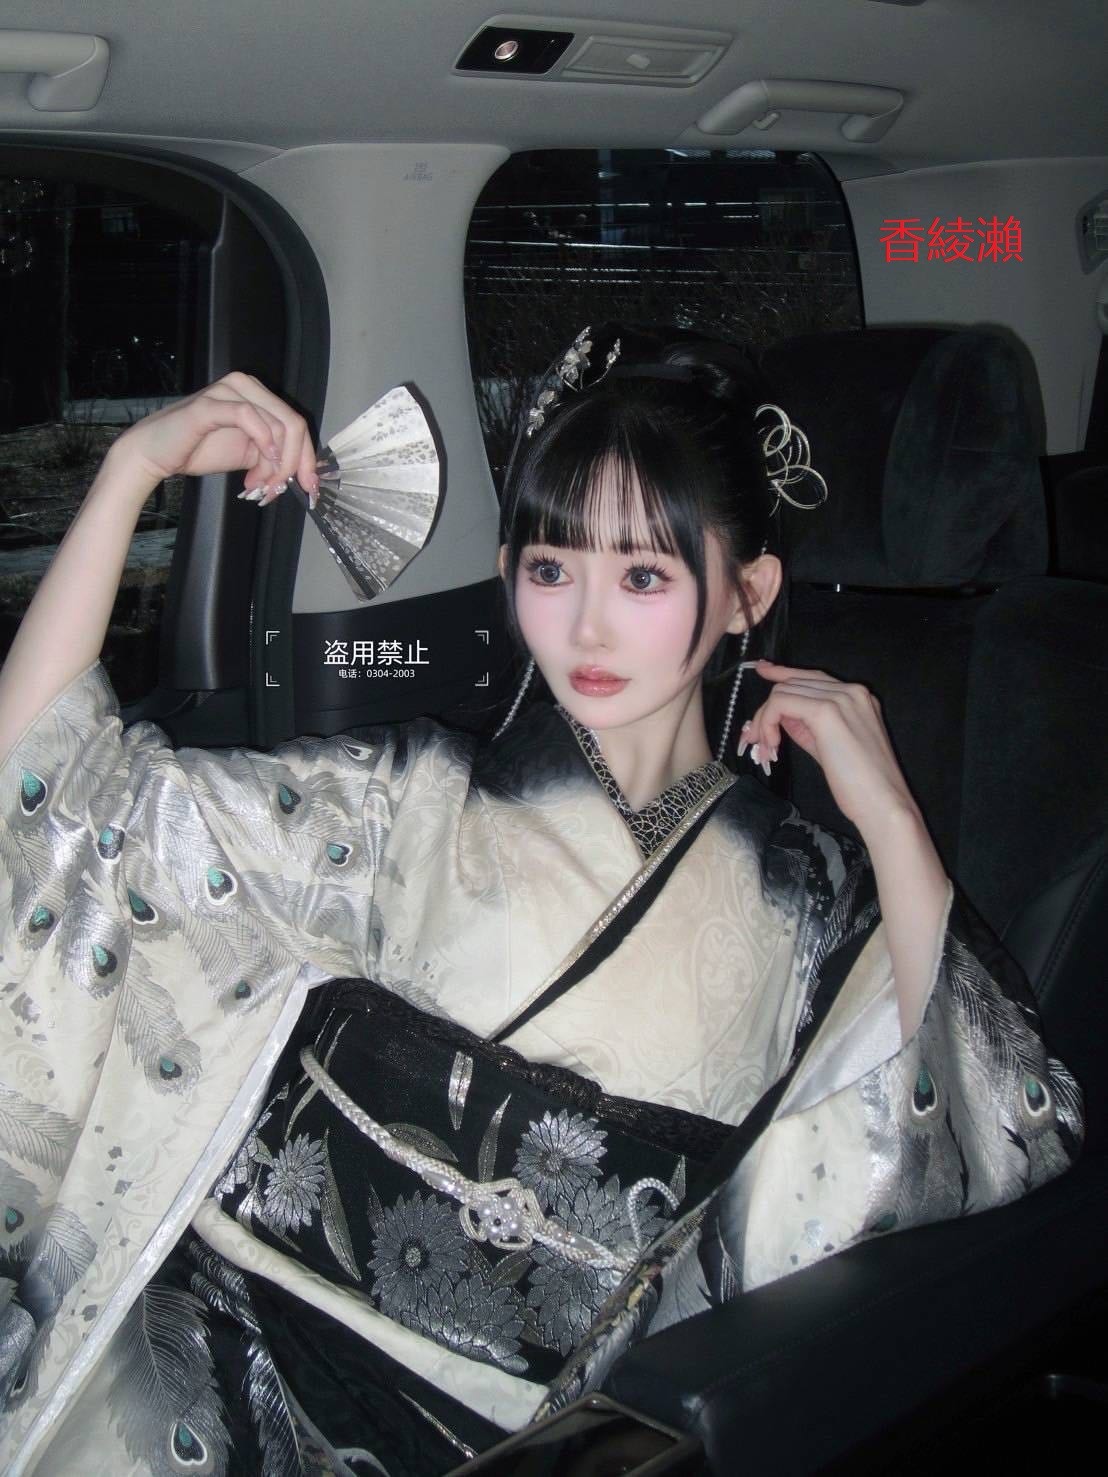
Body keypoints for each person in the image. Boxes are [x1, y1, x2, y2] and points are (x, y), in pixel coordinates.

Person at [0, 325, 1084, 1476]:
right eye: (551, 569)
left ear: (746, 593)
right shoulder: (405, 799)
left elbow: (1001, 1125)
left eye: (645, 576)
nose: (586, 625)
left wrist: (892, 816)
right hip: (203, 1347)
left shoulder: (809, 900)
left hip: (508, 1438)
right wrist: (133, 472)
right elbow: (64, 798)